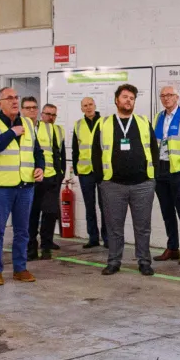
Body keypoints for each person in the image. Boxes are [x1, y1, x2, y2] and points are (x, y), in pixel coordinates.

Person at [91, 83, 159, 276]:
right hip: (113, 184)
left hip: (143, 184)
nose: (128, 100)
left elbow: (154, 149)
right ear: (116, 100)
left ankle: (144, 261)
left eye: (132, 98)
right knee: (114, 227)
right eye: (125, 97)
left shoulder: (143, 122)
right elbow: (95, 152)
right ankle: (114, 261)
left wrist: (153, 177)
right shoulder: (103, 123)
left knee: (143, 227)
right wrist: (101, 180)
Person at [0, 87, 45, 286]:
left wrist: (40, 168)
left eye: (16, 97)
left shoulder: (28, 123)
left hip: (25, 186)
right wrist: (11, 133)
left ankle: (20, 268)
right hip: (2, 188)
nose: (15, 101)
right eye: (10, 98)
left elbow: (37, 151)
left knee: (22, 230)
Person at [153, 85, 180, 266]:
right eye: (163, 96)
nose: (166, 98)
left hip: (177, 171)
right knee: (166, 211)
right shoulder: (158, 117)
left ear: (176, 97)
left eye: (169, 95)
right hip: (160, 169)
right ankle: (172, 248)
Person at [28, 102, 66, 261]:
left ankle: (46, 246)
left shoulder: (57, 130)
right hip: (32, 178)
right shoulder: (30, 128)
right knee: (32, 214)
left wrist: (60, 174)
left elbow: (60, 154)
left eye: (53, 115)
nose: (50, 117)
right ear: (41, 114)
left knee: (50, 213)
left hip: (51, 178)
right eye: (47, 114)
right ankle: (31, 247)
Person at [70, 96, 107, 249]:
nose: (88, 107)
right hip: (85, 172)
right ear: (81, 108)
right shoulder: (78, 125)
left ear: (95, 105)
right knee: (89, 206)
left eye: (90, 104)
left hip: (103, 171)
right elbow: (75, 149)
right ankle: (93, 237)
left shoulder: (105, 123)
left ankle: (108, 238)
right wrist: (76, 168)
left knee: (105, 206)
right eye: (85, 105)